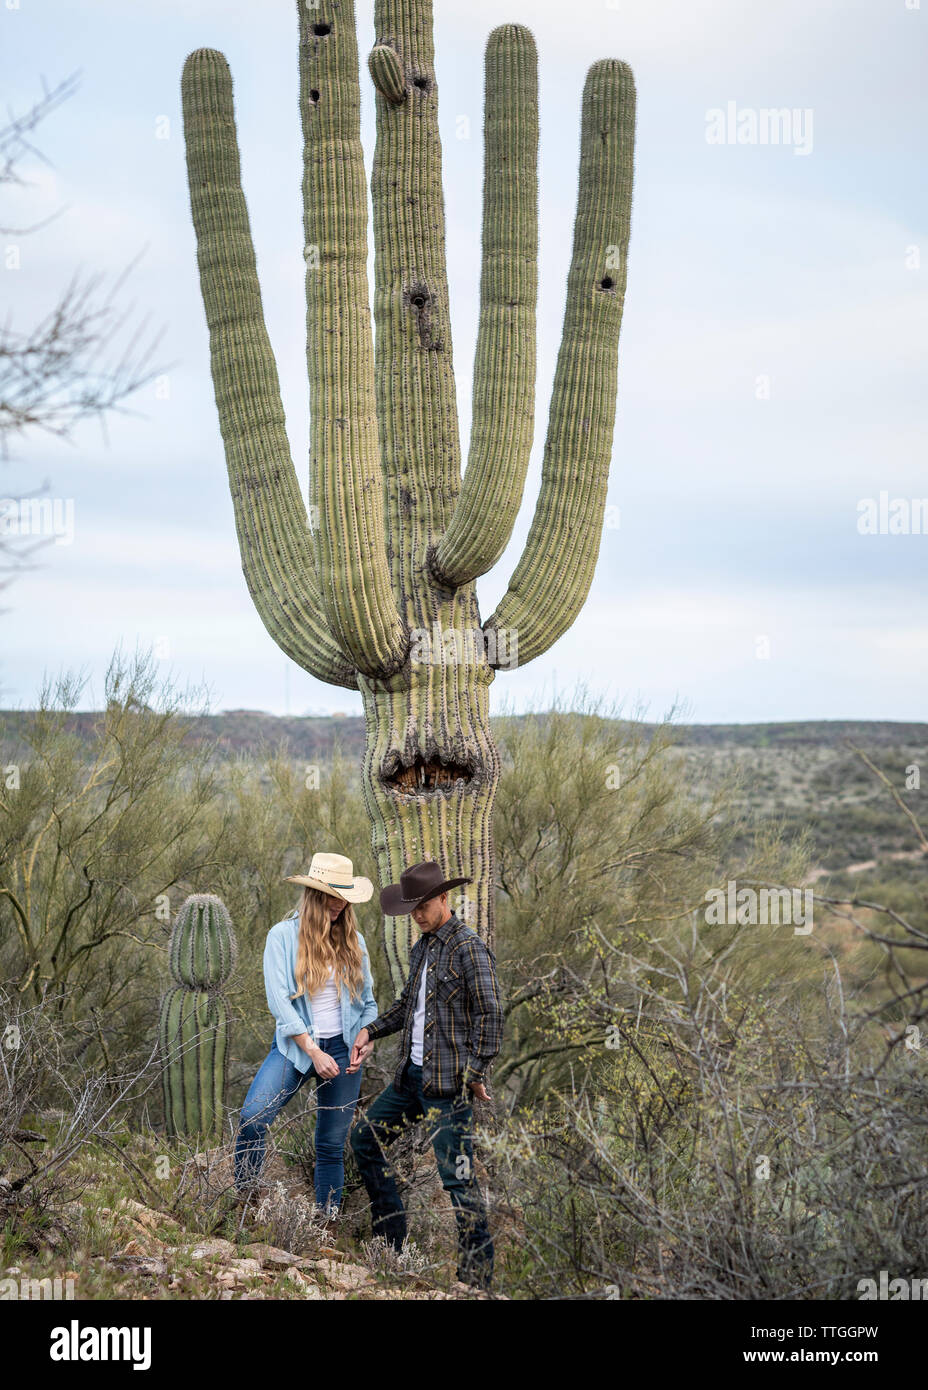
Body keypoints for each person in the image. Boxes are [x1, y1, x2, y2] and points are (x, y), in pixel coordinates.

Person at [349, 860, 503, 1289]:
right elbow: (406, 1007)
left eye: (422, 906)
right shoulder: (423, 947)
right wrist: (370, 1029)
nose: (416, 915)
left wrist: (474, 1072)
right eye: (411, 909)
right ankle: (391, 1242)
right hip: (410, 1080)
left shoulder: (468, 948)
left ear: (443, 899)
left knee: (458, 1180)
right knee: (366, 1139)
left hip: (447, 1088)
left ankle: (475, 1282)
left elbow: (491, 1016)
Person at [233, 852, 379, 1215]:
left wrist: (367, 1036)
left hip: (345, 1052)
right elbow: (279, 1002)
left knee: (330, 1145)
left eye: (345, 896)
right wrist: (313, 1051)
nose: (340, 903)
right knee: (253, 1118)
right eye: (333, 895)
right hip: (296, 1048)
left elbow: (369, 1003)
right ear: (314, 895)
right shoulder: (282, 937)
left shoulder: (354, 942)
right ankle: (246, 1205)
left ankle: (325, 1224)